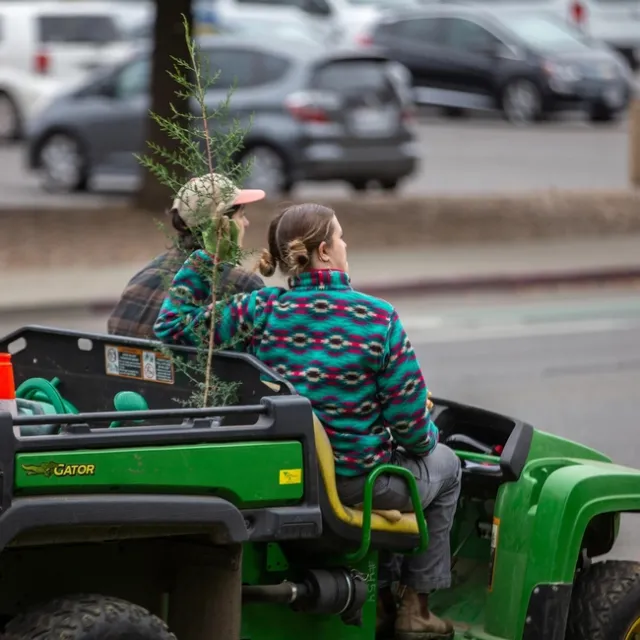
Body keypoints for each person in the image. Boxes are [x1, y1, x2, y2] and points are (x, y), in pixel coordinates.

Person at [154, 203, 462, 640]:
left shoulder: (260, 310)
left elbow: (170, 328)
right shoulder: (377, 319)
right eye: (340, 236)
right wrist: (426, 428)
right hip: (356, 483)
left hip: (287, 478)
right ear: (323, 251)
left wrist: (208, 257)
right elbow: (412, 432)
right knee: (445, 466)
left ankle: (384, 600)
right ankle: (417, 607)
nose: (346, 244)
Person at [107, 172, 267, 339]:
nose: (247, 224)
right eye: (241, 215)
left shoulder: (146, 274)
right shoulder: (240, 283)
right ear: (222, 225)